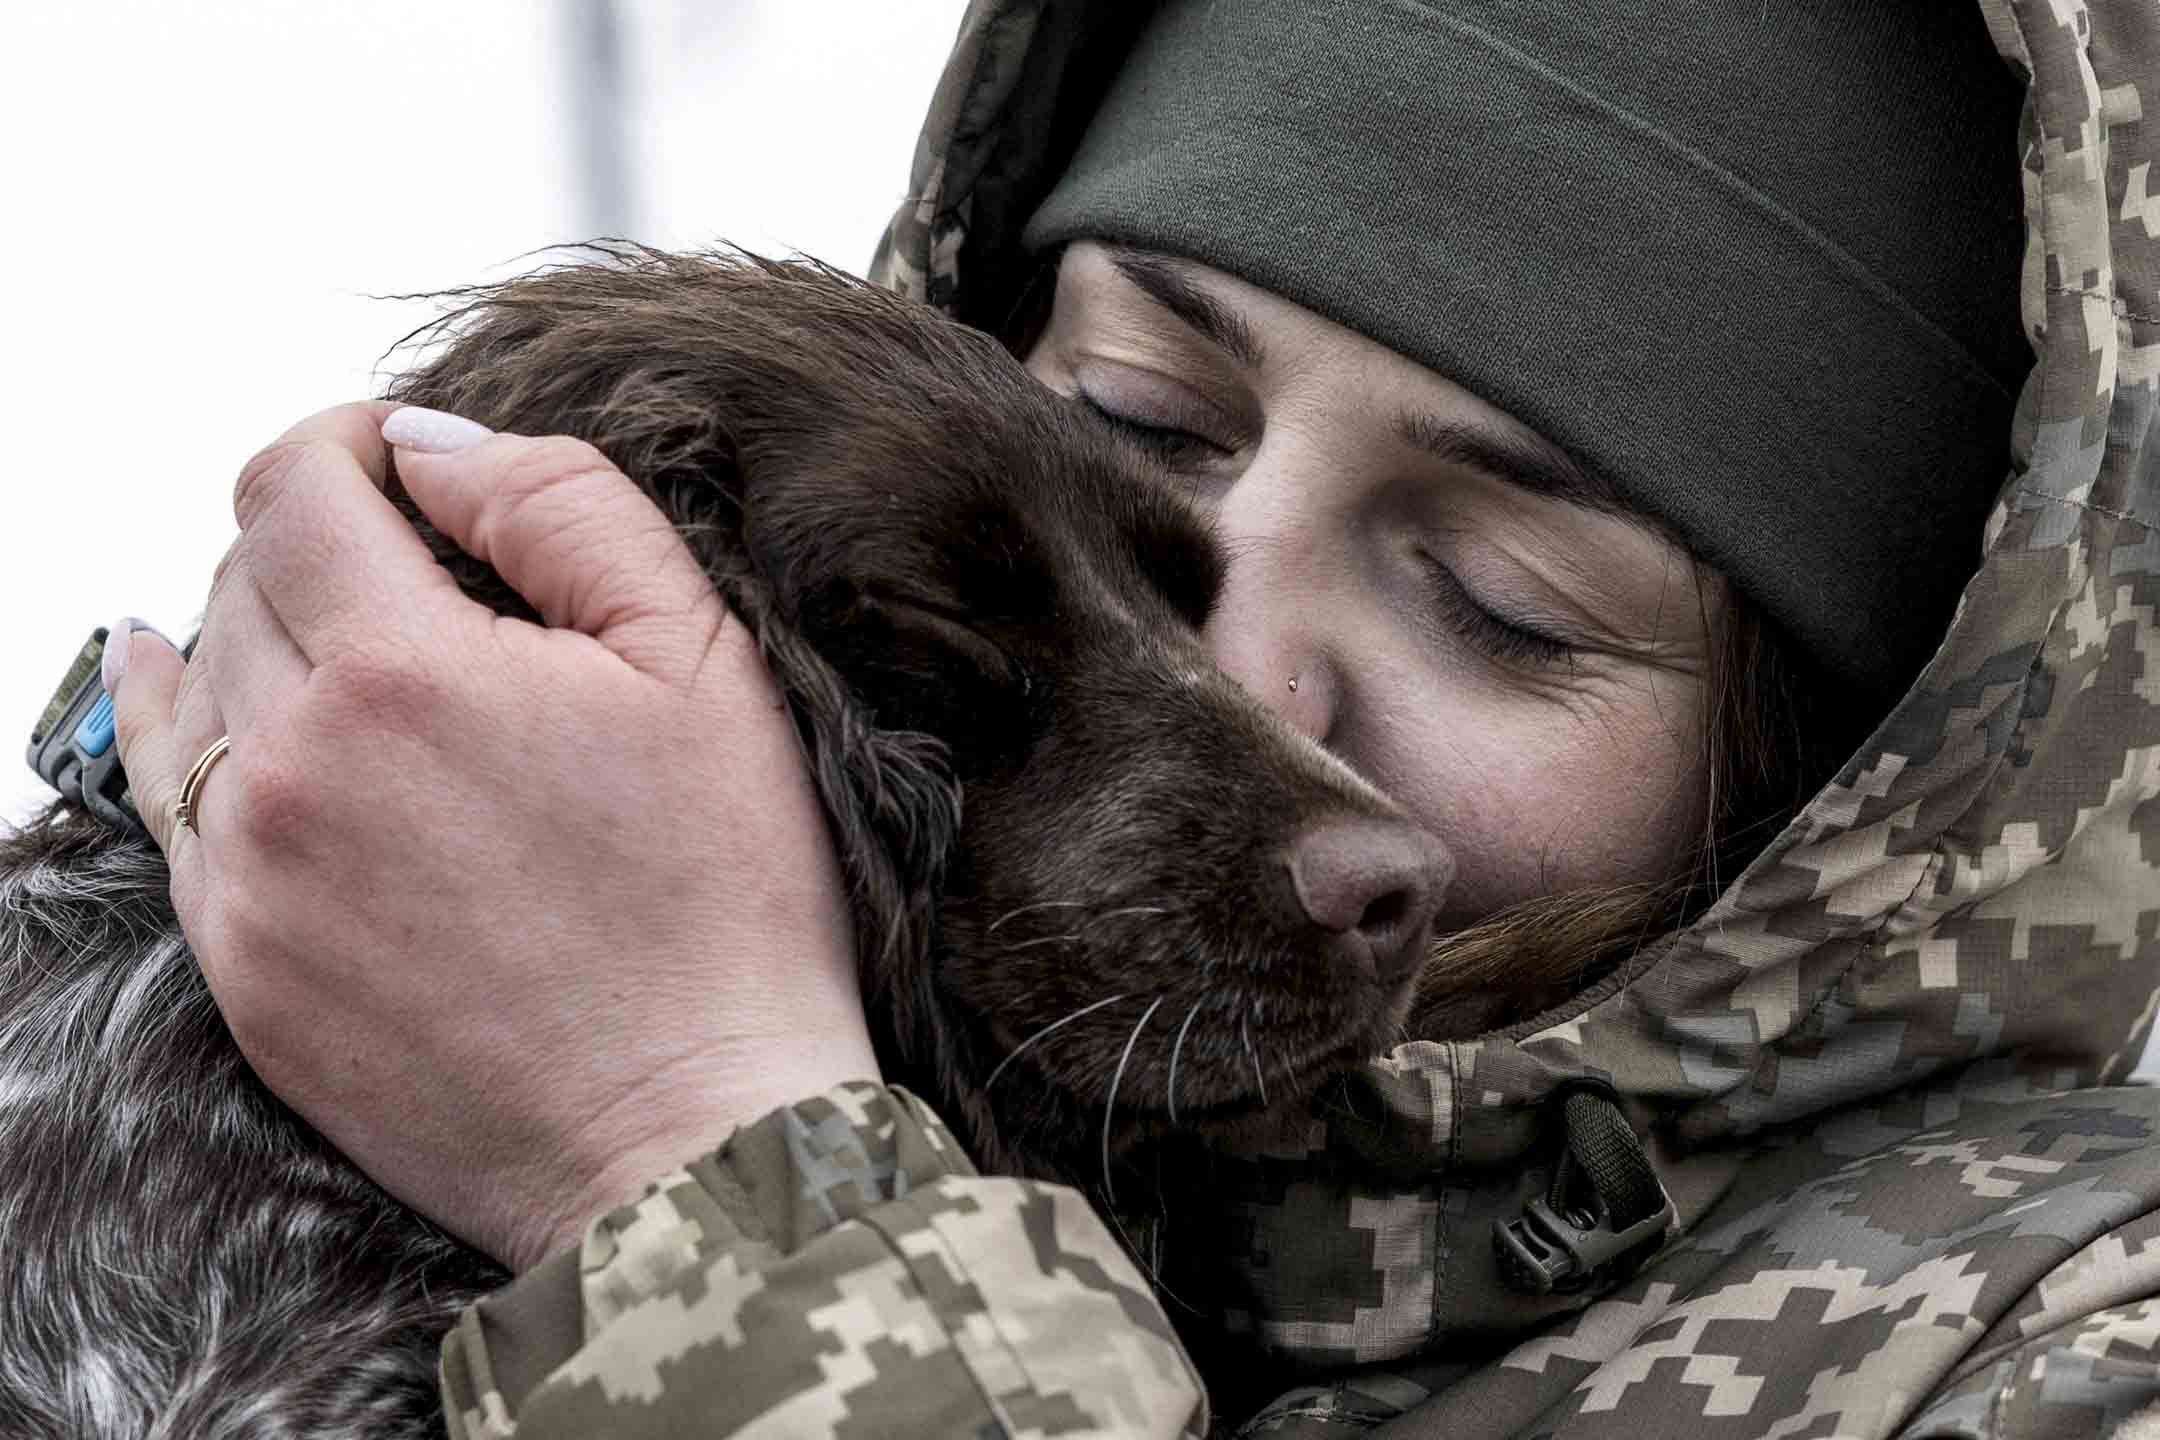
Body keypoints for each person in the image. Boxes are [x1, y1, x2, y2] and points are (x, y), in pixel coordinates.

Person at [99, 1, 2160, 1435]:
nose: (1222, 671)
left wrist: (704, 1160)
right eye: (1136, 429)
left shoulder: (2060, 1357)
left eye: (1500, 605)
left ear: (1850, 793)